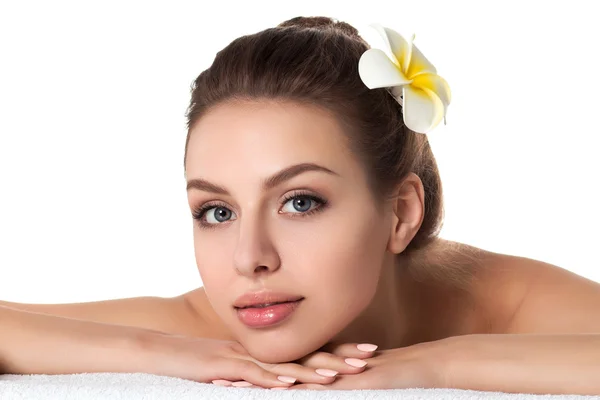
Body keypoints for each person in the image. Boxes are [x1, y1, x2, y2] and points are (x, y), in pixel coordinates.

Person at [1, 16, 600, 394]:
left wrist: (434, 366)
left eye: (300, 202)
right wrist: (166, 353)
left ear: (400, 213)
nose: (248, 259)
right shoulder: (215, 328)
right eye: (216, 211)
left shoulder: (502, 298)